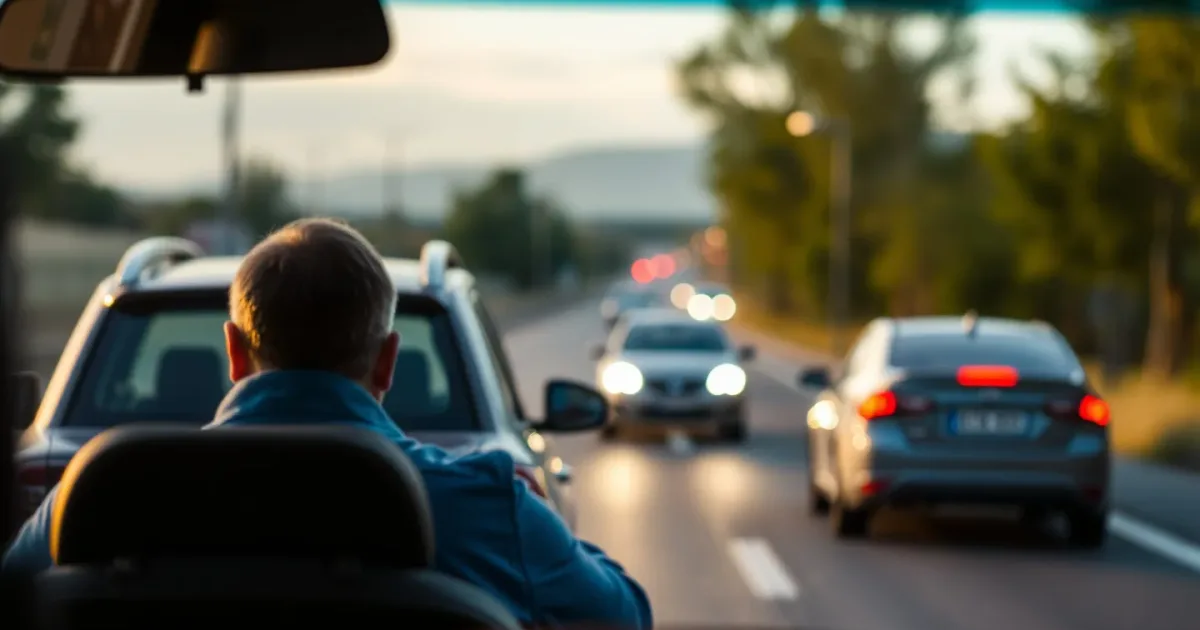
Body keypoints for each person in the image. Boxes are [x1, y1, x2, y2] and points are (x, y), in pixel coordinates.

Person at [3, 218, 653, 629]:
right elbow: (624, 616)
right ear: (388, 361)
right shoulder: (486, 505)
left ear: (234, 353)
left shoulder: (98, 497)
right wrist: (524, 516)